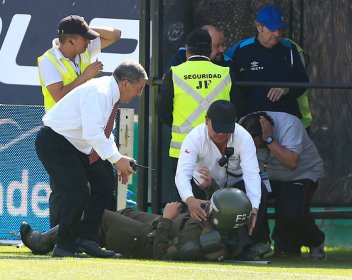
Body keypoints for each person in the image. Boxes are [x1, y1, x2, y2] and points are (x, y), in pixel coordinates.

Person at [35, 61, 148, 258]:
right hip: (55, 142)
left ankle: (88, 240)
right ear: (125, 83)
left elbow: (104, 134)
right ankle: (65, 247)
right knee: (77, 191)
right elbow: (93, 133)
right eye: (138, 89)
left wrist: (119, 158)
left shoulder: (109, 94)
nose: (139, 94)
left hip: (75, 144)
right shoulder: (100, 92)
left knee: (104, 182)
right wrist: (115, 160)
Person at [38, 15, 121, 228]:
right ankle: (55, 238)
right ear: (71, 41)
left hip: (85, 135)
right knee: (63, 190)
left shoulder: (82, 50)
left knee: (101, 182)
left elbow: (116, 35)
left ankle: (89, 237)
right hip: (61, 135)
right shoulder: (48, 60)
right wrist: (85, 76)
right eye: (84, 38)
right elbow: (59, 96)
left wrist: (85, 28)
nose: (89, 42)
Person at [20, 188, 255, 261]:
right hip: (155, 226)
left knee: (98, 216)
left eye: (210, 208)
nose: (206, 207)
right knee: (123, 211)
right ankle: (75, 243)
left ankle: (42, 242)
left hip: (146, 239)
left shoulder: (202, 241)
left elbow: (162, 254)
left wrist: (166, 218)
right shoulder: (224, 227)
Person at [174, 100, 271, 260]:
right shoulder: (194, 138)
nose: (221, 134)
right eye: (217, 128)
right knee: (188, 196)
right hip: (204, 187)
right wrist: (190, 200)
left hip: (236, 188)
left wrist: (253, 207)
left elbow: (252, 175)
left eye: (226, 129)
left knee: (259, 191)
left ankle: (245, 247)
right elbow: (182, 174)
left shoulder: (243, 138)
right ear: (206, 120)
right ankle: (202, 245)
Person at [156, 28, 237, 187]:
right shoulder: (225, 73)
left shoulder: (174, 73)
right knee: (218, 201)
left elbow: (162, 107)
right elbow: (238, 106)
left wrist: (174, 123)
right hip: (218, 148)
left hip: (183, 150)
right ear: (209, 51)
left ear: (187, 52)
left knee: (188, 200)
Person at [239, 111, 326, 260]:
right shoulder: (241, 128)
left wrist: (269, 140)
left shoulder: (290, 125)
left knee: (293, 214)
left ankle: (315, 241)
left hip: (300, 175)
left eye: (258, 145)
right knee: (248, 198)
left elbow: (292, 163)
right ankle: (260, 242)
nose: (255, 148)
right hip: (264, 176)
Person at [225, 4, 309, 119]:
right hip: (252, 119)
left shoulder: (289, 48)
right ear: (259, 27)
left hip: (286, 116)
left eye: (280, 29)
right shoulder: (241, 50)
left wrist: (286, 89)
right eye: (273, 29)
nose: (277, 34)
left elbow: (303, 82)